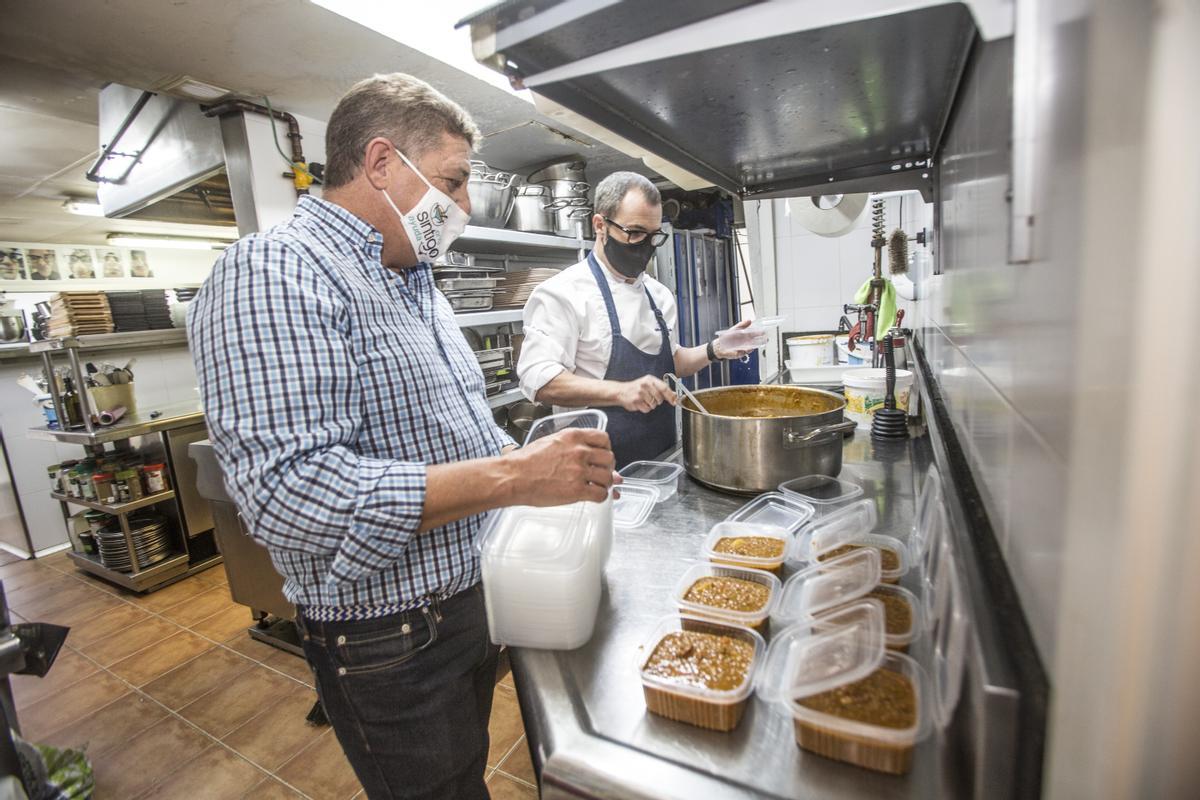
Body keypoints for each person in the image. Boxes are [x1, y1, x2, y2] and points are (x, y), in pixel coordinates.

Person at [188, 73, 616, 800]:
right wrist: (513, 479)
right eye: (451, 184)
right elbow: (290, 496)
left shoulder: (412, 282)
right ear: (381, 163)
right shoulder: (274, 273)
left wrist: (530, 467)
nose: (463, 207)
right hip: (390, 640)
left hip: (467, 607)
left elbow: (450, 439)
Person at [517, 172, 750, 467]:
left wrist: (714, 349)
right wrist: (620, 391)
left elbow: (670, 361)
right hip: (593, 469)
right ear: (600, 225)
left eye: (654, 236)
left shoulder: (658, 294)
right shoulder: (562, 294)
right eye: (636, 233)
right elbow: (539, 381)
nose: (646, 246)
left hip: (661, 460)